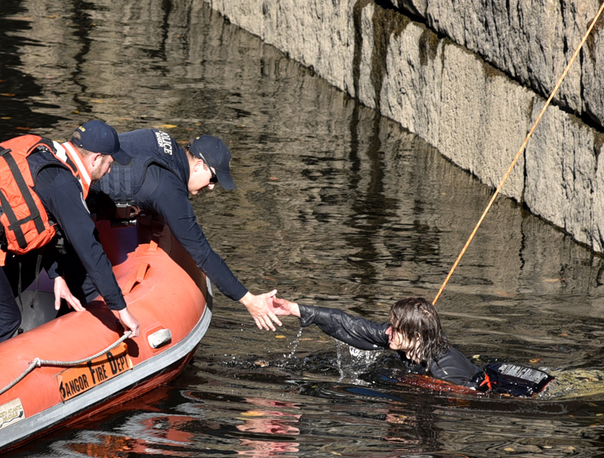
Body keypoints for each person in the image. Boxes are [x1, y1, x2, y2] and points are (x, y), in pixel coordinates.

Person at [0, 120, 140, 343]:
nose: (108, 171)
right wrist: (120, 308)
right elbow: (89, 247)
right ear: (96, 158)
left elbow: (37, 220)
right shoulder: (64, 183)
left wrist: (56, 274)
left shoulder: (43, 152)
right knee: (6, 319)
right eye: (110, 163)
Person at [87, 129, 279, 330]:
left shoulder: (161, 138)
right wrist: (248, 300)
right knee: (89, 290)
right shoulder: (170, 193)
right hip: (73, 204)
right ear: (199, 165)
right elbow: (202, 254)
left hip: (71, 174)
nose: (212, 187)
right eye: (213, 179)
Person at [269, 295, 488, 389]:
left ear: (417, 337)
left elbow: (466, 395)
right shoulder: (408, 341)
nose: (387, 332)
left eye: (396, 328)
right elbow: (350, 325)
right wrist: (297, 310)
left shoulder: (444, 371)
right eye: (390, 324)